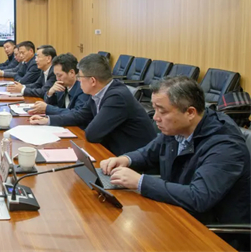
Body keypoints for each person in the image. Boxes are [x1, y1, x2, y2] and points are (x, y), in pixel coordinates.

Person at [100, 76, 250, 250]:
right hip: (177, 213)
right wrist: (125, 159)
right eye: (154, 109)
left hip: (212, 234)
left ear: (190, 112)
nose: (155, 117)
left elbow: (198, 198)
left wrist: (140, 182)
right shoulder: (178, 128)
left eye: (162, 111)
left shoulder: (226, 146)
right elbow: (148, 153)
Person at [29, 53, 156, 156]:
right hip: (114, 151)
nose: (78, 80)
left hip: (133, 158)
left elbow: (92, 134)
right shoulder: (98, 92)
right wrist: (47, 120)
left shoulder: (116, 97)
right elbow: (79, 115)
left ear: (93, 81)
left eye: (80, 77)